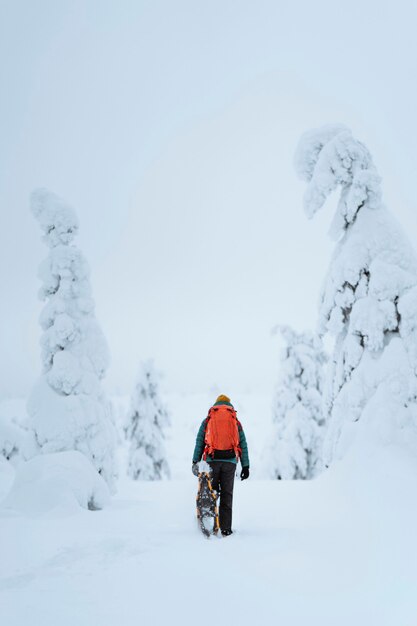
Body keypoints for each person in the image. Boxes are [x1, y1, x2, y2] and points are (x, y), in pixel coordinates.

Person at [192, 394, 250, 536]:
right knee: (227, 495)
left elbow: (200, 440)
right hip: (230, 462)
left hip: (212, 460)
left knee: (211, 492)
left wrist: (195, 461)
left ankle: (208, 524)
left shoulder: (209, 419)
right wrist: (246, 466)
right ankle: (225, 529)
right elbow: (243, 443)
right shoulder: (235, 421)